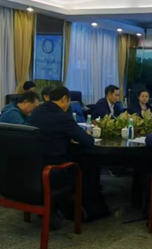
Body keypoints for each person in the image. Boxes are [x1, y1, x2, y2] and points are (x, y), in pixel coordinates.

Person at [30, 86, 109, 222]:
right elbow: (87, 141)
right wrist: (86, 134)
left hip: (33, 167)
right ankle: (91, 209)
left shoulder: (36, 112)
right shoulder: (62, 117)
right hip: (54, 170)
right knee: (87, 164)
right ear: (64, 99)